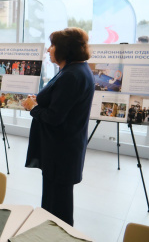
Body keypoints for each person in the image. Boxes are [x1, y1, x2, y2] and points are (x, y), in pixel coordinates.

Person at [23, 27, 94, 226]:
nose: (48, 50)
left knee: (58, 208)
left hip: (60, 151)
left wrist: (34, 107)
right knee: (56, 202)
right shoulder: (74, 69)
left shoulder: (71, 75)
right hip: (62, 148)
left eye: (52, 46)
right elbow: (61, 104)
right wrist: (40, 101)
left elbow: (54, 117)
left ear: (64, 49)